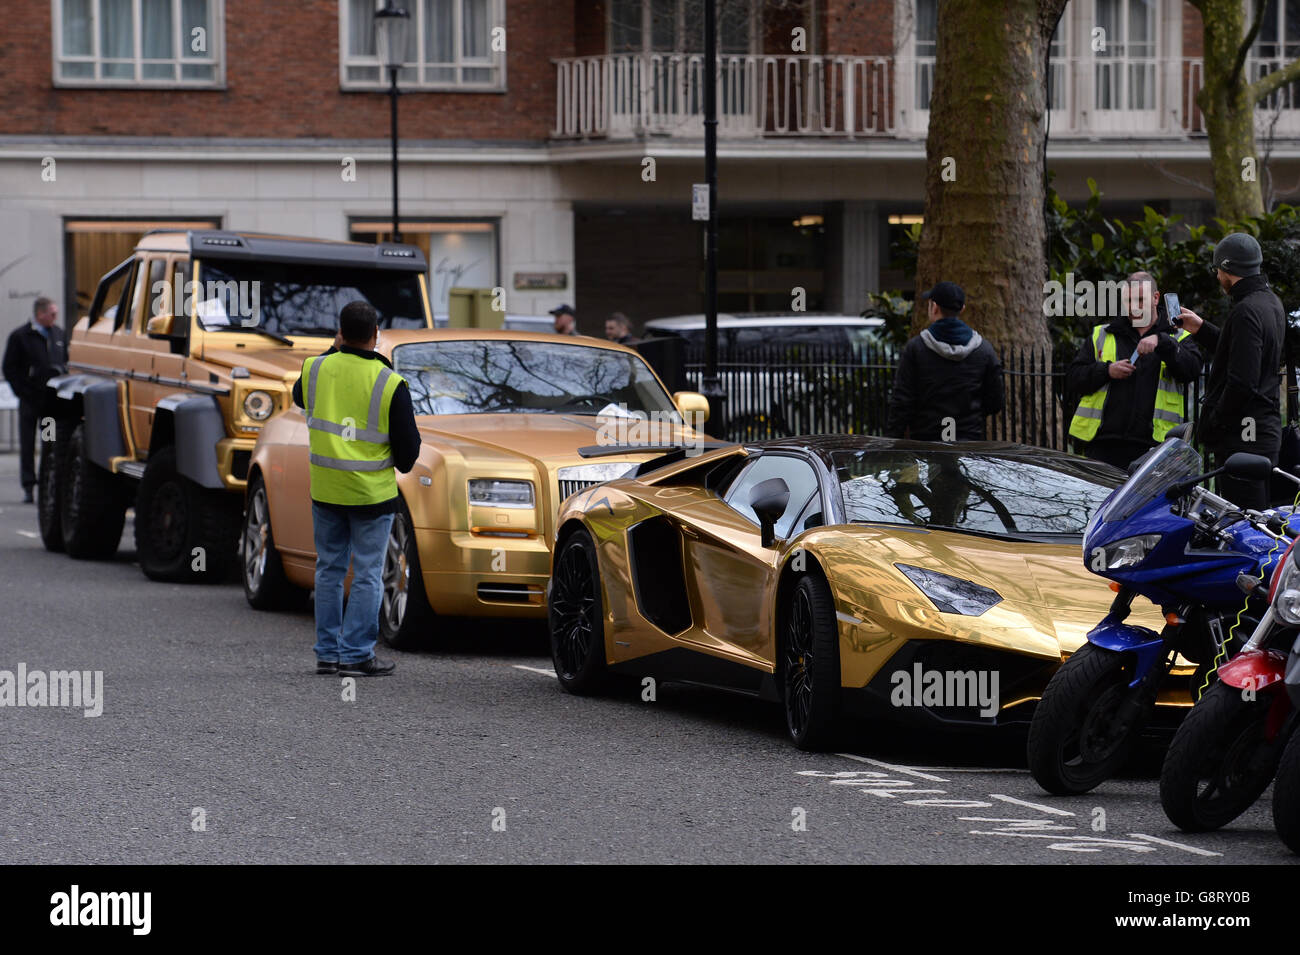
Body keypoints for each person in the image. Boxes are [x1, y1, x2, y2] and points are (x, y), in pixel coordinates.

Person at [291, 302, 421, 677]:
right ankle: (356, 655)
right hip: (371, 496)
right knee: (366, 574)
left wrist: (334, 349)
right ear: (376, 335)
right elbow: (408, 454)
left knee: (328, 570)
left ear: (340, 332)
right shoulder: (389, 382)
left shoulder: (315, 368)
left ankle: (327, 654)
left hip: (326, 491)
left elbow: (301, 397)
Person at [1179, 233, 1286, 509]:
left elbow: (1242, 382)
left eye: (1217, 271)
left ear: (1227, 270)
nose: (1217, 278)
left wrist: (1215, 422)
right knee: (1258, 521)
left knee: (1244, 527)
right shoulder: (1270, 302)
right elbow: (1241, 354)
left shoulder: (1246, 310)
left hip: (1245, 440)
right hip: (1262, 435)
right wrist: (1201, 328)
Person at [1067, 272, 1201, 470]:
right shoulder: (1102, 334)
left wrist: (1163, 342)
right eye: (1128, 301)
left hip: (1155, 447)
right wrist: (1107, 370)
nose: (1133, 307)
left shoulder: (1178, 336)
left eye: (1140, 300)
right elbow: (1073, 379)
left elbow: (1192, 370)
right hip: (1103, 445)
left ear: (1156, 298)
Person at [885, 281, 1004, 441]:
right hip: (968, 441)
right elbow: (996, 401)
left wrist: (893, 442)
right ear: (962, 309)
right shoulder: (984, 350)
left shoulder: (916, 348)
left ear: (934, 307)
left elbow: (902, 401)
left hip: (926, 441)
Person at [2, 297, 66, 503]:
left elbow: (65, 360)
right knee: (28, 444)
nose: (55, 318)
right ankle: (29, 486)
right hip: (30, 401)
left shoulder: (58, 334)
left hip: (50, 403)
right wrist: (22, 391)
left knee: (49, 443)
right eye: (52, 314)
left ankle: (50, 484)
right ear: (40, 314)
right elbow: (9, 367)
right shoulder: (21, 336)